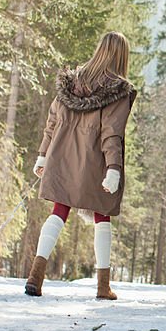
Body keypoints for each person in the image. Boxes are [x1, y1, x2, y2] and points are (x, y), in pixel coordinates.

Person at [25, 31, 137, 300]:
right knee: (102, 216)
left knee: (58, 210)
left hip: (60, 157)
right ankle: (102, 286)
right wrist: (114, 168)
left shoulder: (71, 81)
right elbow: (112, 133)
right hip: (93, 161)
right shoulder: (117, 90)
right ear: (122, 56)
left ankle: (35, 276)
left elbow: (52, 121)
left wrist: (43, 155)